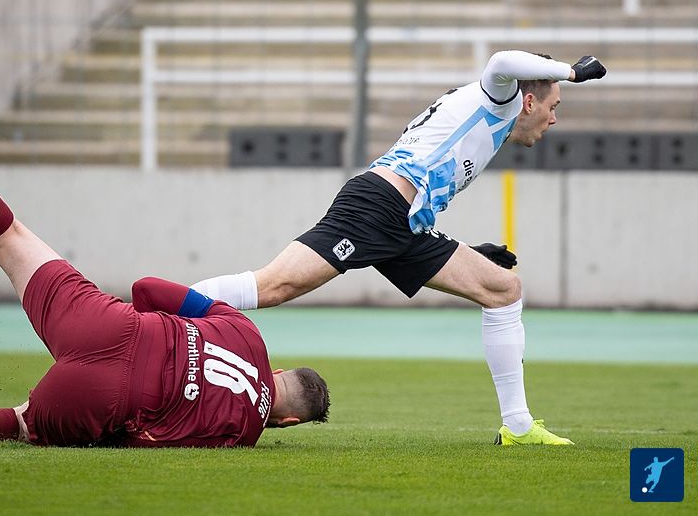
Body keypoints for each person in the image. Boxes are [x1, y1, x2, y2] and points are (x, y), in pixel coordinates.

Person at [0, 98, 330, 448]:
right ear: (287, 421)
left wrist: (151, 331)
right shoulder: (239, 435)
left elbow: (146, 288)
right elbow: (153, 440)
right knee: (15, 426)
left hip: (112, 324)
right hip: (112, 397)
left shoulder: (247, 332)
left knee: (7, 234)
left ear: (280, 371)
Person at [192, 50, 607, 446]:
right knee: (273, 287)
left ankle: (518, 426)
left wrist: (466, 250)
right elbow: (502, 61)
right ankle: (166, 314)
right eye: (553, 106)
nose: (554, 118)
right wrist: (571, 72)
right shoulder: (500, 99)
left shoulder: (488, 116)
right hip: (377, 207)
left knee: (503, 289)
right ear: (529, 101)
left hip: (406, 224)